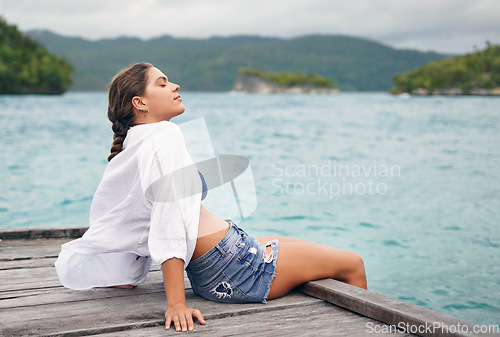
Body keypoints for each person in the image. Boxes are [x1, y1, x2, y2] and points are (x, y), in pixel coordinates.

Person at [55, 62, 367, 333]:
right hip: (234, 266)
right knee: (352, 264)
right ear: (141, 103)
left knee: (297, 245)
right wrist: (176, 303)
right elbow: (168, 220)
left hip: (225, 258)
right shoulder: (164, 136)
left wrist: (124, 273)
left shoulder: (134, 145)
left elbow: (121, 217)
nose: (175, 85)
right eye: (162, 84)